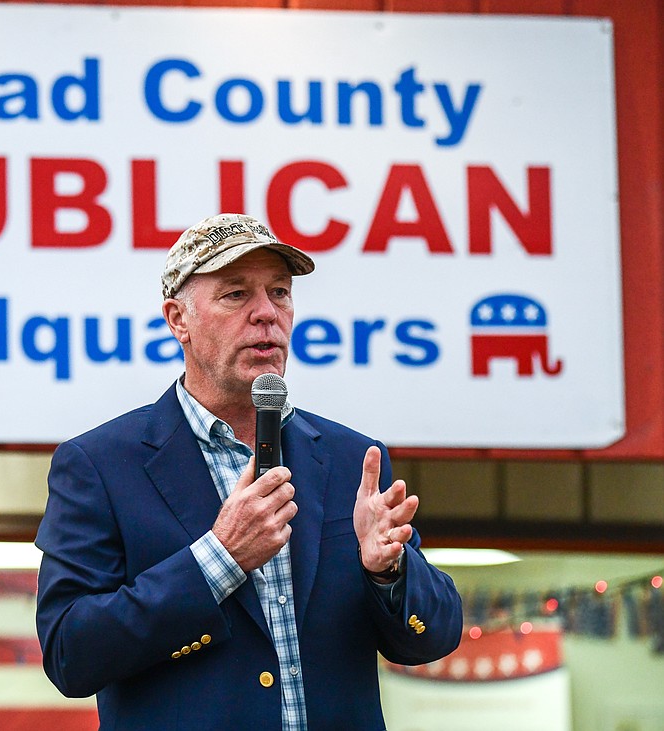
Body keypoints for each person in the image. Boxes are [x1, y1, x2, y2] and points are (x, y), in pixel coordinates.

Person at [35, 213, 462, 730]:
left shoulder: (354, 460)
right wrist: (219, 558)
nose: (266, 314)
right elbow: (69, 655)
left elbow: (432, 637)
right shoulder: (100, 465)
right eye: (236, 294)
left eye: (279, 293)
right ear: (178, 320)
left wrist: (388, 573)